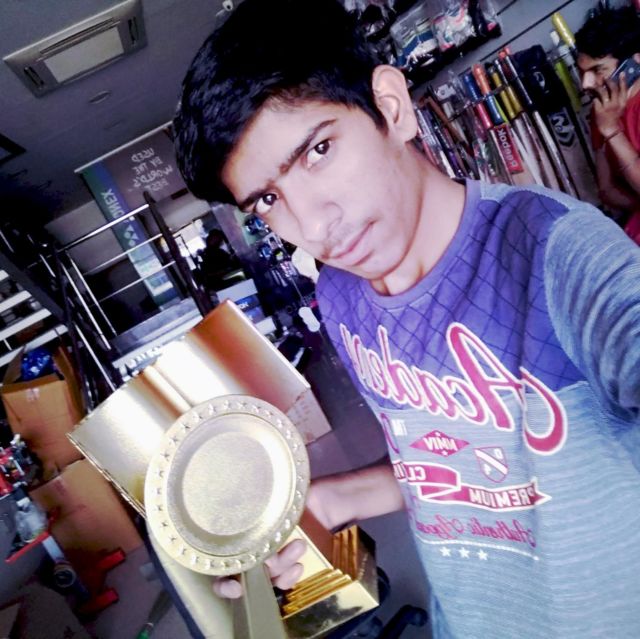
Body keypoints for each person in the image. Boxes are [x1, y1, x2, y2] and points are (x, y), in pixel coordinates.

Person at [173, 0, 640, 636]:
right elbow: (439, 464)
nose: (314, 225)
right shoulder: (341, 296)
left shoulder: (553, 250)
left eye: (318, 150)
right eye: (269, 200)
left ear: (391, 108)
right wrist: (330, 500)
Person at [575, 3, 640, 242]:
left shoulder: (606, 118)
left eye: (598, 70)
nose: (586, 84)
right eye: (582, 72)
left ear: (634, 61)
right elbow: (606, 190)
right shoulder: (602, 110)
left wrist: (612, 130)